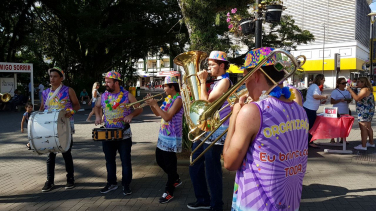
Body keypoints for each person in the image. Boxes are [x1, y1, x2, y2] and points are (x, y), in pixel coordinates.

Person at [223, 47, 308, 211]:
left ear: (254, 75)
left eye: (244, 75)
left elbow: (229, 162)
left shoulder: (253, 111)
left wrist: (234, 116)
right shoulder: (299, 110)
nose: (244, 81)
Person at [187, 51, 231, 211]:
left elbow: (207, 102)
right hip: (205, 127)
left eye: (212, 65)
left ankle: (216, 205)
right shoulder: (215, 82)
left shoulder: (225, 82)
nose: (209, 68)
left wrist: (202, 81)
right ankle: (203, 199)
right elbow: (200, 102)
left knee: (212, 169)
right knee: (194, 164)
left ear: (222, 65)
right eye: (209, 65)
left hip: (216, 130)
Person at [95, 71, 143, 195]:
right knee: (109, 160)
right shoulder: (104, 95)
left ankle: (126, 184)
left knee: (125, 161)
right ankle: (111, 183)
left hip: (124, 134)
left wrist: (131, 115)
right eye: (105, 82)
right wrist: (97, 116)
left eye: (108, 82)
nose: (106, 84)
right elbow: (97, 106)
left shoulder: (127, 95)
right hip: (108, 134)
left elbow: (139, 108)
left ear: (116, 82)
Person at [39, 67, 80, 192]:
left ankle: (70, 179)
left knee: (66, 153)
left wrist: (71, 112)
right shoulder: (45, 93)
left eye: (55, 76)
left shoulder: (68, 90)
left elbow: (77, 105)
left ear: (61, 78)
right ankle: (49, 181)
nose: (52, 79)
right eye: (50, 76)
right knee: (50, 154)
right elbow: (42, 108)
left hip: (65, 126)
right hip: (49, 127)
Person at [145, 75, 183, 204]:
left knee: (170, 165)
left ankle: (169, 191)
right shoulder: (168, 98)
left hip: (172, 137)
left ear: (172, 87)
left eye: (165, 86)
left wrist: (155, 104)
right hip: (163, 135)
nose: (164, 89)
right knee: (159, 160)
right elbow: (158, 113)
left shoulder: (178, 99)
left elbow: (167, 117)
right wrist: (152, 105)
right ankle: (175, 178)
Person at [346, 77, 375, 150]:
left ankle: (363, 145)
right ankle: (371, 143)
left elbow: (357, 98)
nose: (357, 83)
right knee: (368, 127)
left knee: (363, 128)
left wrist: (350, 90)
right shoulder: (367, 89)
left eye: (359, 82)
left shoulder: (364, 90)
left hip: (364, 111)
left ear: (363, 83)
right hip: (368, 110)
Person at [303, 74, 328, 148]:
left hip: (309, 108)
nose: (324, 81)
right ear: (320, 79)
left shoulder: (313, 86)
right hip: (310, 109)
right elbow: (315, 96)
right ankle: (309, 142)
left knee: (309, 126)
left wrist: (320, 102)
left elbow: (313, 98)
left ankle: (308, 141)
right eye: (323, 79)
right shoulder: (315, 87)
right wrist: (324, 96)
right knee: (311, 126)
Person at [330, 78, 352, 143]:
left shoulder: (347, 91)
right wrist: (340, 100)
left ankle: (343, 139)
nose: (344, 84)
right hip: (337, 111)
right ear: (339, 84)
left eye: (345, 83)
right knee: (335, 125)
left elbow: (349, 100)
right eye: (343, 83)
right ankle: (332, 139)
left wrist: (348, 100)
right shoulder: (335, 91)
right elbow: (332, 101)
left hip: (345, 110)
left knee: (344, 126)